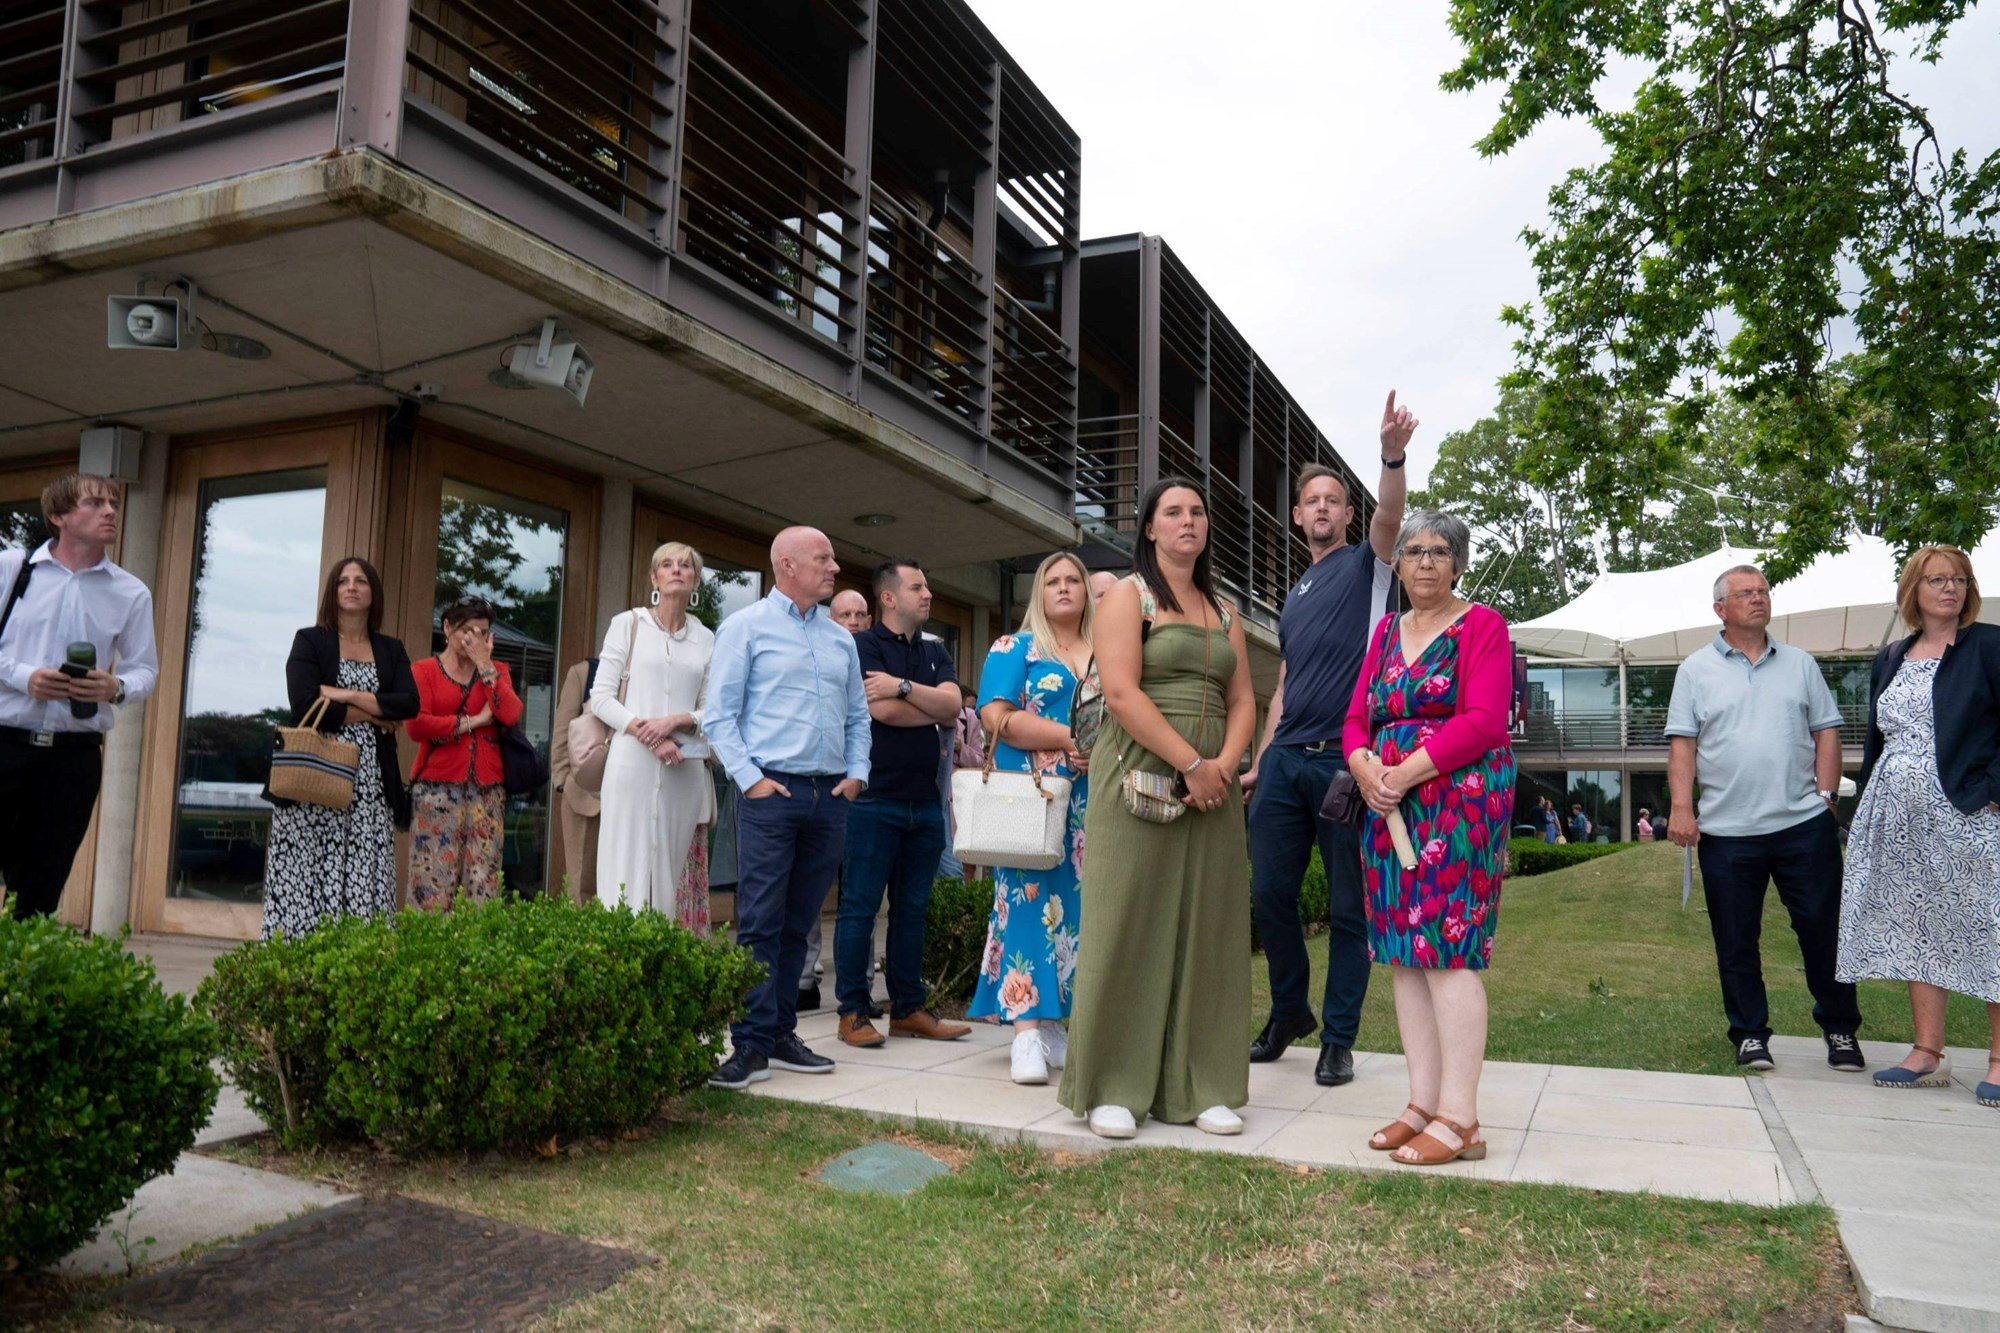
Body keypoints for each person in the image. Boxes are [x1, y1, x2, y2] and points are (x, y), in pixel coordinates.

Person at [1058, 479, 1256, 1139]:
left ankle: (1200, 1084)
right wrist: (1192, 764)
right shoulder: (1126, 596)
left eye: (1199, 511)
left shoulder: (1226, 609)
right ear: (1148, 528)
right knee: (1128, 922)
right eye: (1173, 511)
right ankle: (1114, 1083)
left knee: (1210, 930)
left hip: (1214, 790)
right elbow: (1119, 691)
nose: (1188, 521)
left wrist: (1223, 764)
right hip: (1139, 776)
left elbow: (1244, 700)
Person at [1243, 390, 1414, 1087]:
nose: (1320, 507)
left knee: (1349, 907)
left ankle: (1338, 1037)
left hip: (1349, 760)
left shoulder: (1368, 567)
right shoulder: (1295, 593)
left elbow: (1393, 512)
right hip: (1285, 762)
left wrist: (1392, 456)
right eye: (1310, 499)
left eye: (1331, 499)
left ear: (1347, 513)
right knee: (1268, 896)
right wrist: (1260, 757)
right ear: (1296, 515)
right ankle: (1290, 1011)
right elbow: (1283, 682)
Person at [1346, 510, 1516, 1166]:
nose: (1422, 562)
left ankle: (1461, 1117)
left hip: (1457, 804)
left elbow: (1483, 719)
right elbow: (1356, 715)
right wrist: (1365, 769)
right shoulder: (1385, 631)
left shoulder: (1482, 626)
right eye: (1412, 550)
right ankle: (1422, 1102)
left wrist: (1402, 774)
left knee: (1448, 951)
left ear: (1458, 563)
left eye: (1438, 551)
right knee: (1405, 954)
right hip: (1385, 809)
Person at [1666, 564, 1864, 1072]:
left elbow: (1826, 732)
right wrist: (1682, 808)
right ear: (1720, 609)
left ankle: (1840, 1029)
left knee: (1824, 932)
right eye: (1745, 594)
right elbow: (1683, 747)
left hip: (1803, 827)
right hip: (1728, 835)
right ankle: (1750, 1034)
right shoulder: (1693, 670)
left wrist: (1825, 799)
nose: (1758, 599)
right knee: (1735, 941)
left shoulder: (1800, 664)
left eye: (1763, 592)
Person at [702, 527, 870, 1090]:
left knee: (799, 923)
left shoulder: (840, 639)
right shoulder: (745, 628)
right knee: (759, 923)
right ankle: (748, 1044)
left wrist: (857, 775)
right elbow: (718, 716)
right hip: (771, 795)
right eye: (822, 558)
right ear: (786, 565)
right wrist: (750, 781)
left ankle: (779, 1034)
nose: (834, 566)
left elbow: (857, 719)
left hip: (829, 799)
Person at [1839, 546, 2000, 1102]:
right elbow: (1878, 737)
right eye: (1937, 580)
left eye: (1959, 579)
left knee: (1988, 928)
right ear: (1915, 590)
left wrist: (1995, 792)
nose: (1950, 589)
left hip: (1970, 812)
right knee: (1917, 925)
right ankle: (1927, 1051)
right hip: (1899, 814)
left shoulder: (1990, 645)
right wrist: (1864, 807)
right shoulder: (1891, 656)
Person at [0, 473, 157, 919]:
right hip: (5, 743)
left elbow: (144, 669)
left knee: (38, 896)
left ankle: (17, 987)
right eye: (94, 503)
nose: (109, 510)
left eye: (112, 503)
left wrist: (116, 687)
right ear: (58, 517)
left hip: (72, 760)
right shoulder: (11, 569)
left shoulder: (130, 592)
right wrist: (23, 677)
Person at [969, 551, 1095, 1083]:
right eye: (1052, 582)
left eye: (1073, 580)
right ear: (1038, 594)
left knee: (1078, 909)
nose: (1064, 589)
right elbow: (994, 714)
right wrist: (1070, 738)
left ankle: (1052, 1022)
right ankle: (1024, 1031)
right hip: (1034, 798)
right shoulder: (1015, 646)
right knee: (1026, 900)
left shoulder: (1108, 650)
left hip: (1093, 800)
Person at [835, 558, 968, 1046]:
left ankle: (908, 1007)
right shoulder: (860, 645)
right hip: (874, 801)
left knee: (912, 910)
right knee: (859, 909)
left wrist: (906, 689)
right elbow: (879, 710)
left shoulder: (935, 651)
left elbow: (954, 707)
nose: (928, 593)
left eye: (927, 584)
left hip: (926, 803)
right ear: (888, 598)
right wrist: (922, 706)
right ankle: (853, 1011)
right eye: (918, 586)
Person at [262, 557, 417, 938]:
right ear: (333, 592)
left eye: (361, 580)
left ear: (372, 593)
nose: (352, 586)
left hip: (370, 786)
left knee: (364, 869)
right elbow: (304, 704)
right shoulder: (309, 640)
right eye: (343, 581)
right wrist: (374, 714)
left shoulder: (391, 649)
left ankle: (357, 963)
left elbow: (408, 704)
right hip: (315, 778)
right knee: (309, 872)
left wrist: (345, 694)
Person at [592, 542, 716, 933]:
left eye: (686, 565)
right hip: (631, 762)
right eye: (667, 564)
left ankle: (658, 963)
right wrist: (650, 735)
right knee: (622, 869)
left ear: (695, 580)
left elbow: (714, 711)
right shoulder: (627, 624)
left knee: (668, 873)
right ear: (654, 578)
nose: (677, 570)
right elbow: (601, 698)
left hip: (684, 770)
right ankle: (618, 958)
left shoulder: (706, 638)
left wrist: (679, 720)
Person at [405, 597, 523, 910]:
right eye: (466, 630)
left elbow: (510, 713)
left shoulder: (496, 671)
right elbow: (416, 725)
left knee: (483, 879)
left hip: (487, 790)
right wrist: (475, 721)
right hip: (436, 788)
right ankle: (426, 953)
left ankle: (478, 953)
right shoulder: (424, 670)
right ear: (446, 628)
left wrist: (485, 665)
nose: (473, 639)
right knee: (431, 879)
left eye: (482, 633)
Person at [549, 656, 600, 904]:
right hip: (583, 796)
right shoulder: (584, 672)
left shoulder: (644, 674)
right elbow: (562, 729)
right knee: (581, 884)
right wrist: (562, 780)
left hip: (627, 797)